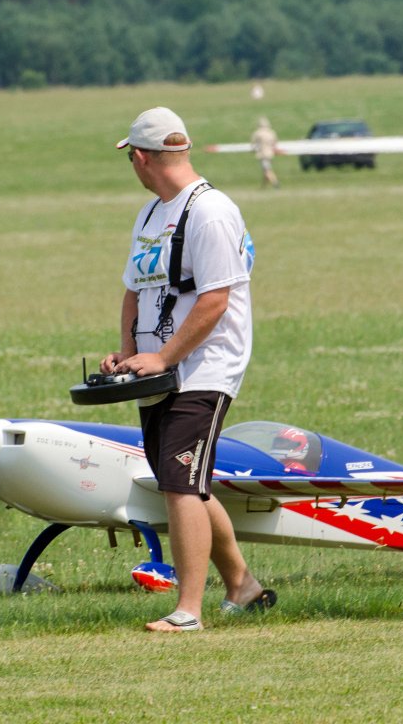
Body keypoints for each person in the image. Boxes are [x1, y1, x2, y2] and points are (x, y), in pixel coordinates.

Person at [102, 107, 275, 632]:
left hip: (204, 369)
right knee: (187, 484)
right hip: (157, 371)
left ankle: (188, 611)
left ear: (140, 157)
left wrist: (165, 355)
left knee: (179, 483)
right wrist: (128, 353)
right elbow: (134, 289)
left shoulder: (212, 211)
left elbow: (216, 300)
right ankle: (243, 586)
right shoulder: (151, 213)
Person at [250, 117, 281, 189]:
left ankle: (275, 183)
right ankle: (263, 187)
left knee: (267, 170)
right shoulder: (271, 132)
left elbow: (253, 143)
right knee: (266, 170)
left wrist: (253, 150)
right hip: (270, 154)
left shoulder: (258, 133)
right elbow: (275, 142)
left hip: (263, 154)